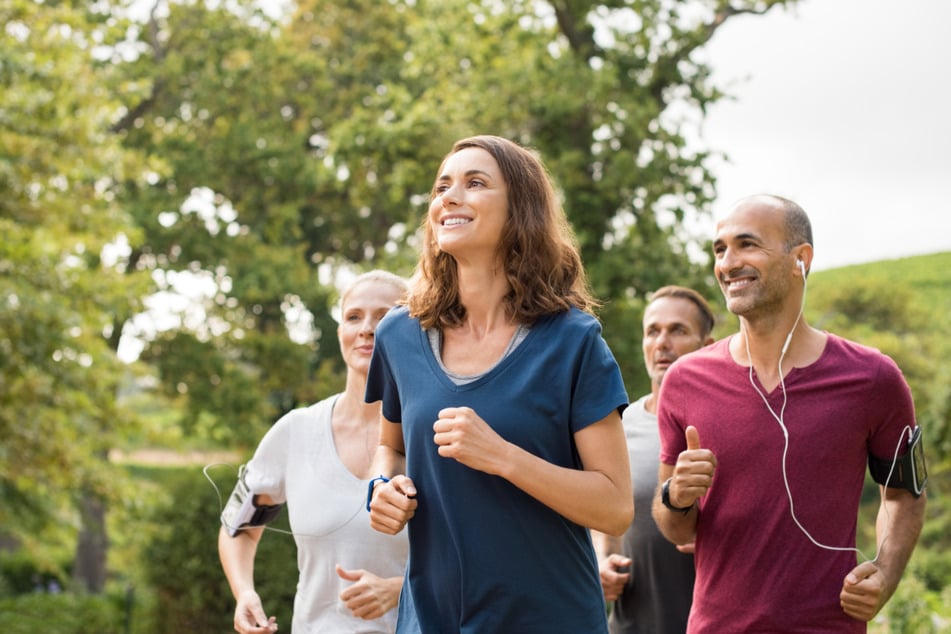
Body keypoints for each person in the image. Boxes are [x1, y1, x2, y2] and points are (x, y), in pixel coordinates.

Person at [364, 134, 633, 633]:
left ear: (519, 212)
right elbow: (391, 447)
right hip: (430, 619)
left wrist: (503, 457)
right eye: (442, 186)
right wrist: (382, 486)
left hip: (550, 619)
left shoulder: (573, 342)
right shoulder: (399, 334)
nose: (449, 196)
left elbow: (615, 507)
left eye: (475, 183)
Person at [652, 194, 927, 632]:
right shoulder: (685, 381)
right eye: (719, 249)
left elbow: (904, 496)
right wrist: (676, 497)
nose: (728, 262)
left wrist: (886, 572)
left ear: (800, 259)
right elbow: (678, 531)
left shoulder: (873, 378)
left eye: (747, 244)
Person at [218, 270, 410, 634]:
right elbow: (238, 527)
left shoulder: (436, 437)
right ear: (341, 333)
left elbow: (483, 561)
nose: (367, 328)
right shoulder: (296, 430)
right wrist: (244, 593)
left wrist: (400, 591)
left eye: (385, 317)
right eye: (354, 317)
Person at [594, 286, 715, 633]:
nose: (662, 342)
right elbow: (599, 514)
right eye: (653, 331)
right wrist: (601, 560)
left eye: (678, 330)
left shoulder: (727, 426)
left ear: (707, 346)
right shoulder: (619, 424)